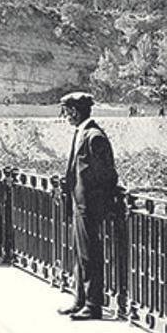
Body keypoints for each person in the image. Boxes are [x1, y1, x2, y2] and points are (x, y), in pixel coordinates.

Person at [57, 92, 118, 321]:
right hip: (80, 203)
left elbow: (108, 175)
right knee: (80, 255)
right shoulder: (83, 132)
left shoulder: (94, 137)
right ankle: (80, 300)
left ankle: (93, 305)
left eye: (66, 111)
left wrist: (98, 203)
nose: (64, 116)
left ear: (74, 111)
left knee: (90, 255)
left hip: (89, 206)